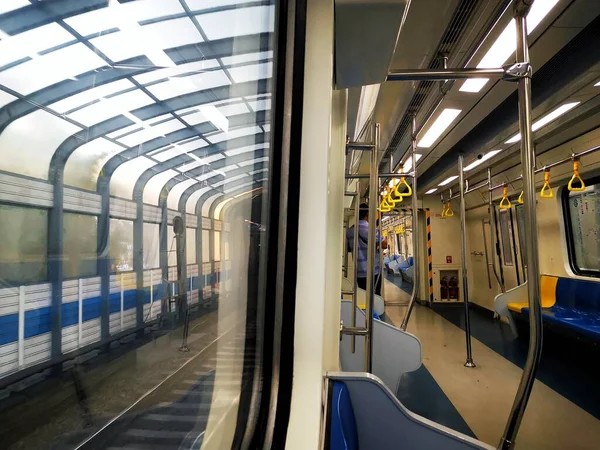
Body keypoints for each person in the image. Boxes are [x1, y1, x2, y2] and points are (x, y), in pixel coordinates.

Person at [347, 203, 387, 296]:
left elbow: (349, 249)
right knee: (375, 297)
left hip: (359, 271)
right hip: (373, 271)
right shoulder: (370, 229)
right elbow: (384, 244)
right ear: (367, 213)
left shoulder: (350, 231)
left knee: (363, 296)